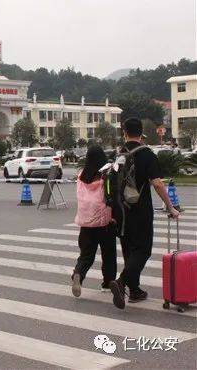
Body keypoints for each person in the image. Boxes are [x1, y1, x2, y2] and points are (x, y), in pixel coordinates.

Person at [109, 118, 180, 309]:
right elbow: (157, 183)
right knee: (143, 250)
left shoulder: (119, 156)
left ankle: (135, 291)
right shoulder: (146, 154)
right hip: (140, 212)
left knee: (129, 251)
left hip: (121, 211)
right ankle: (122, 282)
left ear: (124, 133)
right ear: (141, 133)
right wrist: (171, 207)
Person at [71, 145, 117, 297]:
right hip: (104, 222)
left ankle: (78, 274)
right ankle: (108, 283)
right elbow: (111, 196)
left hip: (86, 222)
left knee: (86, 254)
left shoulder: (81, 175)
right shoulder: (106, 175)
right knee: (108, 254)